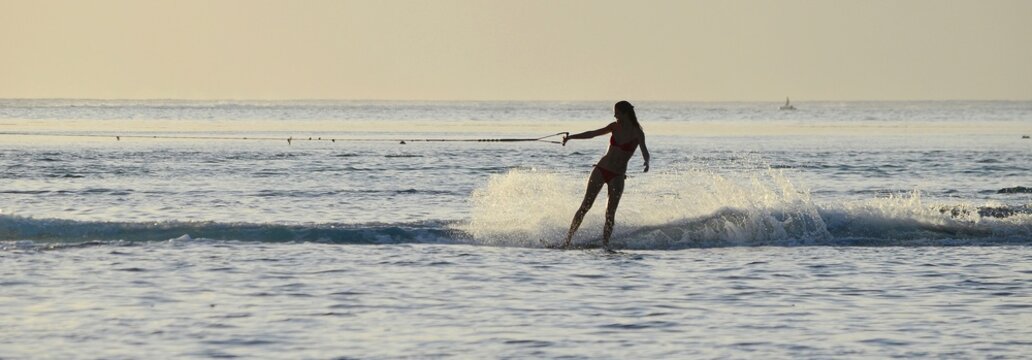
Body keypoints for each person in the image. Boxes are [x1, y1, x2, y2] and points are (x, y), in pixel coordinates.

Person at [561, 100, 650, 251]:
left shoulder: (637, 132)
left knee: (610, 213)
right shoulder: (613, 126)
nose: (614, 115)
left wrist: (647, 162)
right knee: (585, 206)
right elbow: (592, 134)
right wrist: (571, 137)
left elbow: (645, 151)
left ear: (625, 113)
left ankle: (605, 245)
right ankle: (567, 241)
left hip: (618, 175)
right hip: (601, 169)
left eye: (617, 112)